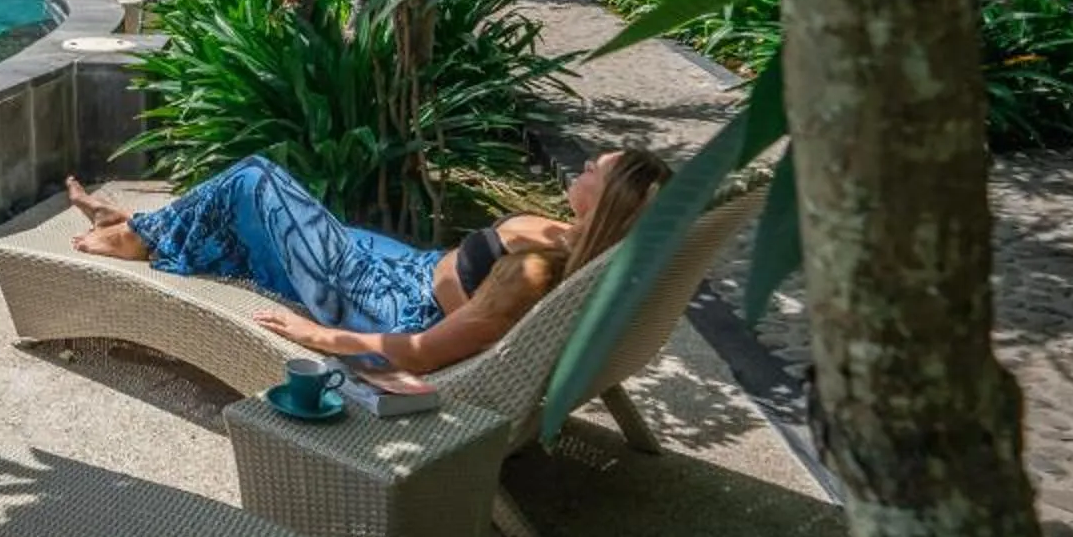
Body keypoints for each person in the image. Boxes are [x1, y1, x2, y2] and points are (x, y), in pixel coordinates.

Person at [63, 148, 673, 377]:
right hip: (407, 268)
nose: (587, 162)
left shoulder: (537, 273)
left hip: (388, 303)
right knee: (279, 223)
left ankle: (132, 234)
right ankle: (139, 229)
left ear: (610, 205)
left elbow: (423, 350)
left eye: (598, 170)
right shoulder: (568, 238)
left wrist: (319, 335)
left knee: (258, 180)